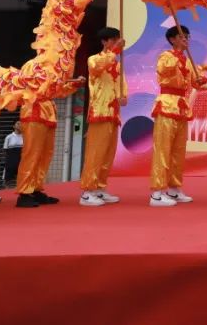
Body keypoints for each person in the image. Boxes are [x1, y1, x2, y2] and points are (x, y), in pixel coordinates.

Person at [149, 25, 206, 207]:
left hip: (182, 107)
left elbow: (197, 83)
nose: (186, 39)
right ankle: (157, 193)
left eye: (187, 37)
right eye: (182, 36)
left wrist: (200, 80)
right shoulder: (166, 56)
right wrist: (178, 55)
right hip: (167, 104)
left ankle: (174, 188)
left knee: (178, 151)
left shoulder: (189, 61)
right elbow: (163, 70)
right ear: (172, 39)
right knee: (163, 150)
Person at [16, 76, 85, 208]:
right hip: (33, 112)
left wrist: (73, 84)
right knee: (31, 154)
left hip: (48, 114)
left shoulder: (51, 71)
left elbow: (57, 90)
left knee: (45, 155)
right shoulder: (32, 67)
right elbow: (30, 84)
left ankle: (35, 189)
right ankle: (24, 193)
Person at [80, 27, 128, 207]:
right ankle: (87, 191)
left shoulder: (117, 64)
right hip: (99, 110)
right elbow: (98, 68)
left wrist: (123, 95)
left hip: (113, 112)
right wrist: (114, 51)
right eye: (113, 40)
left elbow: (121, 82)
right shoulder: (94, 59)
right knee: (96, 153)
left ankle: (99, 187)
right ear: (104, 42)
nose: (116, 43)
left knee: (108, 154)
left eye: (117, 40)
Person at [3, 122, 23, 188]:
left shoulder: (25, 136)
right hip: (10, 161)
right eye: (18, 124)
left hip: (21, 161)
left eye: (21, 124)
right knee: (8, 180)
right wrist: (7, 161)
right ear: (14, 126)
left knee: (20, 179)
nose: (20, 125)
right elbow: (5, 150)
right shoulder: (9, 137)